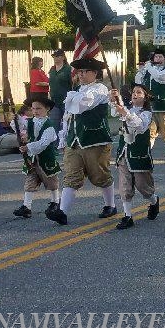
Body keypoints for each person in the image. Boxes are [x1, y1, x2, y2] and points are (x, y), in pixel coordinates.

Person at [46, 57, 116, 226]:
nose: (81, 75)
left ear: (95, 73)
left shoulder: (100, 90)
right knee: (71, 176)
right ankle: (62, 212)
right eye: (80, 72)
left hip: (95, 140)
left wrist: (72, 98)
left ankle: (110, 205)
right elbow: (68, 116)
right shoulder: (77, 90)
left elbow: (83, 105)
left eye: (85, 72)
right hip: (74, 141)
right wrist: (63, 137)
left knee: (100, 176)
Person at [110, 84, 159, 230]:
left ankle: (154, 201)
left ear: (145, 97)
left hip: (139, 154)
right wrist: (115, 99)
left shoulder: (147, 113)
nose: (135, 94)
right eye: (134, 92)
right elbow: (115, 112)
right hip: (124, 153)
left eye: (139, 92)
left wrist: (124, 112)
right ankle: (127, 216)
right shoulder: (127, 109)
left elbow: (139, 125)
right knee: (125, 186)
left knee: (143, 186)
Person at [12, 97, 61, 219]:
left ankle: (55, 202)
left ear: (47, 109)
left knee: (51, 181)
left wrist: (28, 147)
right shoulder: (30, 122)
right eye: (33, 108)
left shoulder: (49, 126)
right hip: (32, 159)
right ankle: (26, 207)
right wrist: (15, 117)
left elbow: (44, 143)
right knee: (30, 181)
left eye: (38, 108)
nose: (35, 111)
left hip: (45, 159)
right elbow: (18, 126)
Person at [142, 48, 165, 160]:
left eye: (160, 57)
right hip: (151, 105)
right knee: (150, 130)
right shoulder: (150, 71)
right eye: (156, 57)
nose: (158, 59)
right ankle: (147, 152)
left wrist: (148, 67)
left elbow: (160, 78)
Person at [48, 49, 72, 133]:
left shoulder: (68, 69)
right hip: (54, 102)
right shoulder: (52, 69)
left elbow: (72, 84)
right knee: (54, 125)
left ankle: (67, 144)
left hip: (66, 101)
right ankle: (55, 145)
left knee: (67, 125)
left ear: (62, 57)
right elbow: (51, 83)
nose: (55, 58)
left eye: (57, 56)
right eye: (54, 56)